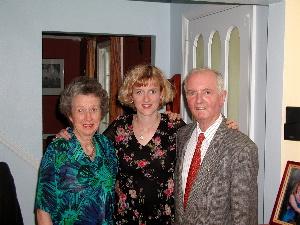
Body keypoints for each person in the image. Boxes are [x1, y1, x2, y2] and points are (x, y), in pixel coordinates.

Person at [56, 65, 238, 225]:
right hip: (124, 218)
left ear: (161, 94)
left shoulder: (176, 127)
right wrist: (70, 134)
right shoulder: (119, 127)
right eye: (139, 91)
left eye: (152, 91)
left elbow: (203, 140)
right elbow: (92, 146)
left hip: (166, 219)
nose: (146, 98)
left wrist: (223, 127)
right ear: (130, 96)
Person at [174, 68, 258, 225]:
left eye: (207, 92)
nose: (198, 100)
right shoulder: (182, 135)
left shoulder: (242, 148)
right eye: (192, 93)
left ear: (222, 97)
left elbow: (244, 217)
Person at [35, 76, 118, 225]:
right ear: (70, 115)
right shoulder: (57, 150)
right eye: (80, 110)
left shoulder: (107, 146)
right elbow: (43, 211)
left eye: (94, 109)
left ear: (101, 112)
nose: (88, 117)